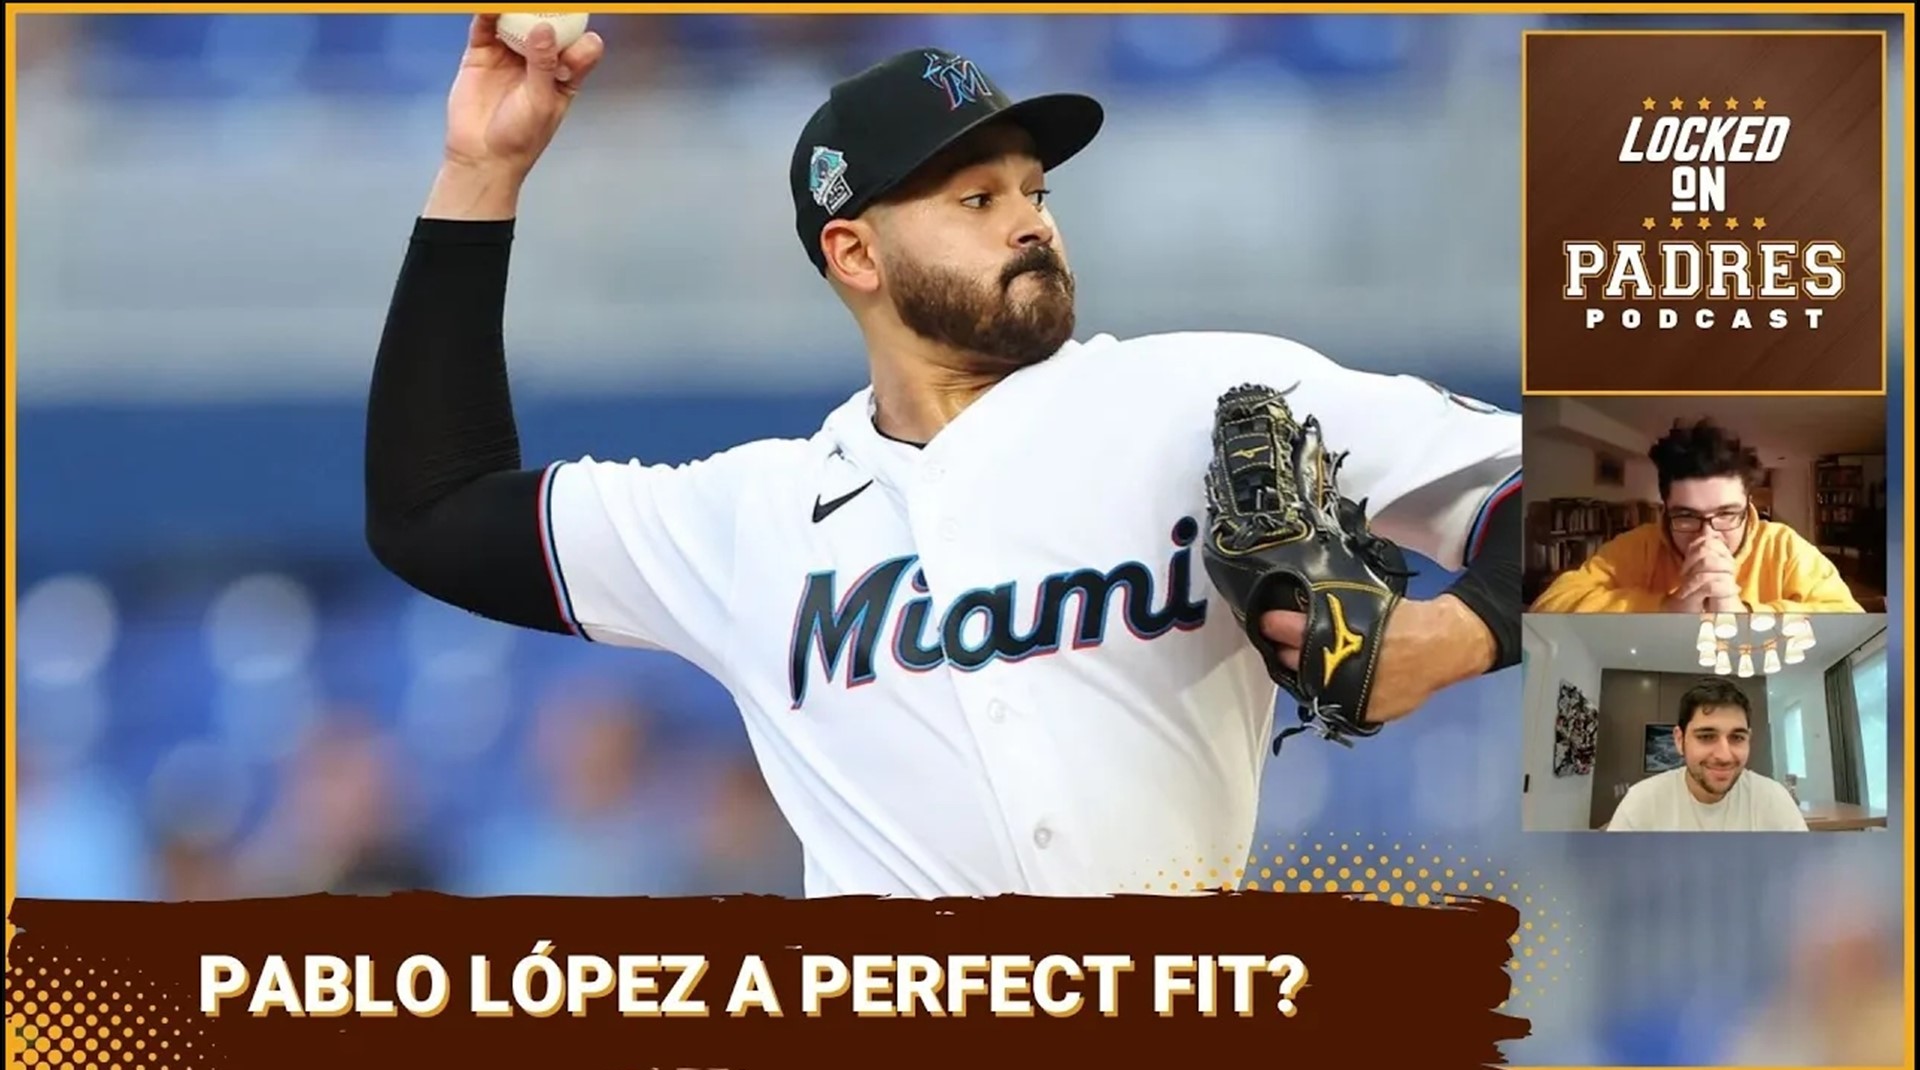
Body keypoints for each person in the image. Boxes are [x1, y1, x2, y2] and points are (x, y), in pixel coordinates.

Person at [364, 18, 1526, 898]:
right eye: (976, 196)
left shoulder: (1195, 399)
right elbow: (430, 511)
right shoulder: (753, 518)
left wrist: (1457, 634)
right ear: (853, 252)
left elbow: (1646, 499)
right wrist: (482, 173)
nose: (1030, 220)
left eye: (1036, 189)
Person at [1529, 419, 1863, 614]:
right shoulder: (1636, 547)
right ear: (1666, 509)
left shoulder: (1785, 547)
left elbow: (1847, 616)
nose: (1709, 536)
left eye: (1727, 514)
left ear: (1747, 505)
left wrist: (1743, 615)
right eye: (1687, 517)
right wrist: (1666, 609)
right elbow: (1548, 606)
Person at [1606, 678, 1809, 832]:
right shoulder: (1641, 803)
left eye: (1737, 738)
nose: (1724, 755)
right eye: (1706, 736)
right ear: (1679, 740)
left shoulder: (1774, 800)